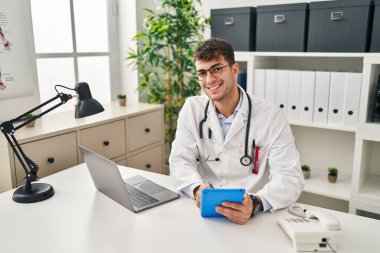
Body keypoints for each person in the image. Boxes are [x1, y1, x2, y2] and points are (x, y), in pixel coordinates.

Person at [169, 38, 304, 225]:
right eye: (202, 73)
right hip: (204, 214)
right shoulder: (192, 109)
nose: (209, 80)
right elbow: (180, 161)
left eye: (216, 69)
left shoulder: (271, 116)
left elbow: (290, 177)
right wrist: (196, 189)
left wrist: (256, 203)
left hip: (252, 216)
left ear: (234, 70)